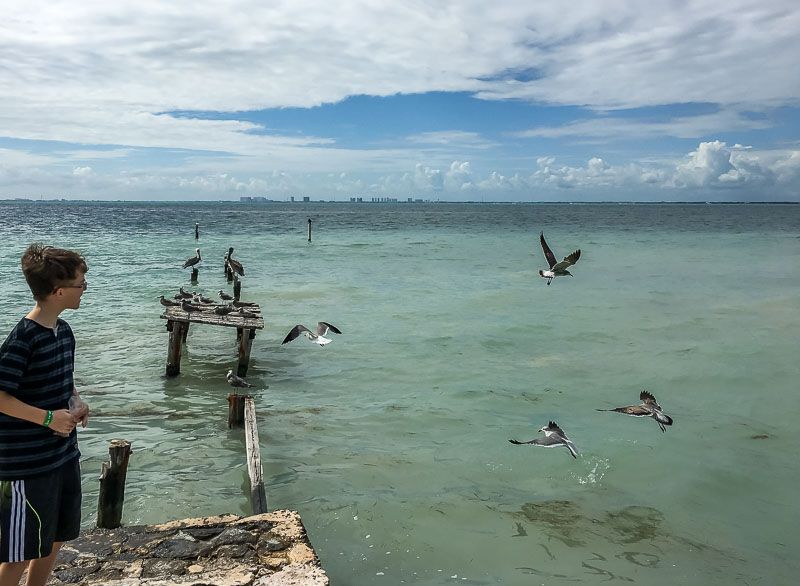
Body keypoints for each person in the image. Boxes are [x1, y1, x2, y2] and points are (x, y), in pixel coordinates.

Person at [0, 244, 90, 586]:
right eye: (81, 283)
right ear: (58, 291)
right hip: (28, 466)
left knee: (56, 535)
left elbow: (64, 381)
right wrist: (48, 419)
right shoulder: (23, 339)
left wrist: (75, 403)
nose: (85, 289)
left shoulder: (63, 332)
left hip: (63, 456)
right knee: (19, 551)